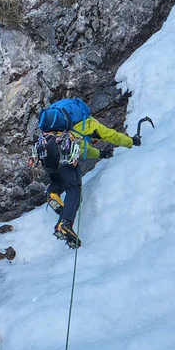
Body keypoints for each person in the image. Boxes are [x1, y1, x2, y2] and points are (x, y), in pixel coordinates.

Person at [36, 97, 139, 248]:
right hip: (64, 155)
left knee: (58, 181)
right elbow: (111, 135)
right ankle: (64, 224)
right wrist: (131, 141)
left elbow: (83, 149)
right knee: (74, 190)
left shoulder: (65, 128)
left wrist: (100, 154)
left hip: (46, 152)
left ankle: (52, 194)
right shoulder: (90, 123)